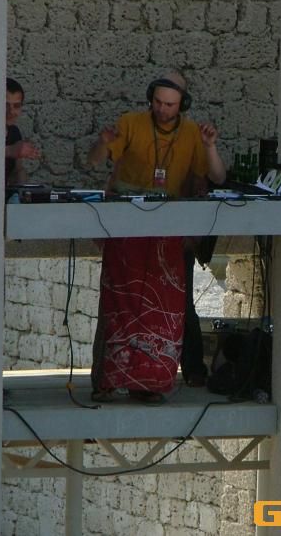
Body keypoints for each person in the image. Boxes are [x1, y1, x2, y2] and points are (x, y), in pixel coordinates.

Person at [87, 71, 225, 403]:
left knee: (161, 311)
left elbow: (217, 177)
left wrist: (210, 147)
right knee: (118, 305)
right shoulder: (130, 123)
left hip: (168, 235)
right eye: (158, 102)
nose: (162, 109)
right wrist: (103, 143)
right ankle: (107, 382)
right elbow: (94, 161)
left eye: (170, 105)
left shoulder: (192, 133)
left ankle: (148, 384)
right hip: (126, 230)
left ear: (183, 105)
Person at [4, 77, 40, 187]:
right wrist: (10, 150)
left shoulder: (14, 132)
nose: (11, 111)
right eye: (6, 105)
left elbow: (18, 170)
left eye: (16, 106)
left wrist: (23, 192)